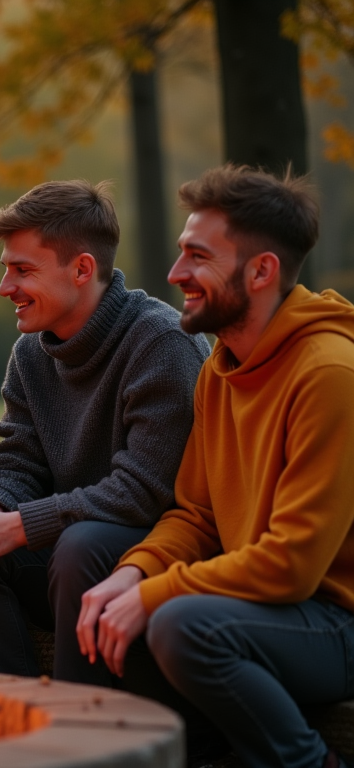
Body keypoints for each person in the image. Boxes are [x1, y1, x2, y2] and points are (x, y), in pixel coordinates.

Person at [78, 165, 354, 768]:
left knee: (179, 623)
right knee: (115, 605)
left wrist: (158, 592)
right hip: (264, 606)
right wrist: (134, 573)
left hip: (336, 619)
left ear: (261, 271)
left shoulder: (330, 375)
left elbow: (292, 567)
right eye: (180, 253)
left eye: (197, 257)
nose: (175, 275)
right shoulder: (220, 367)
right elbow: (197, 514)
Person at [0, 180, 210, 682]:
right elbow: (20, 459)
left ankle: (79, 733)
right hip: (69, 550)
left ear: (82, 269)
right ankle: (10, 711)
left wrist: (21, 525)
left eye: (23, 270)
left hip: (153, 561)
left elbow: (143, 492)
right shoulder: (32, 354)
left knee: (81, 544)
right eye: (6, 270)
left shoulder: (163, 344)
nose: (6, 288)